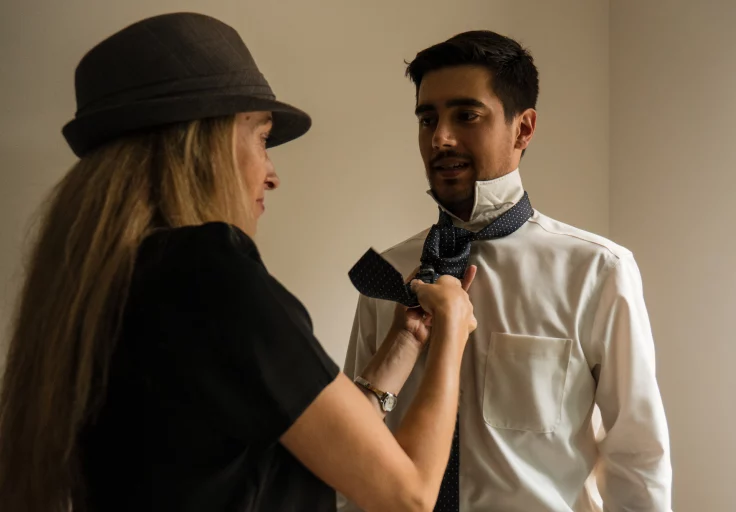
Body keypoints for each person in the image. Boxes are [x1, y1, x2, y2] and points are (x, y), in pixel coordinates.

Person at [0, 13, 479, 512]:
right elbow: (410, 495)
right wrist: (450, 331)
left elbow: (316, 439)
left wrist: (406, 341)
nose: (271, 175)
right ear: (202, 145)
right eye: (262, 139)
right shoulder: (210, 275)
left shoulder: (113, 277)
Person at [342, 31, 672, 511]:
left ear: (523, 129)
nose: (440, 138)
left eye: (466, 115)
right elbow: (355, 443)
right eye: (427, 119)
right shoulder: (388, 275)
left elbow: (638, 455)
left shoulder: (597, 271)